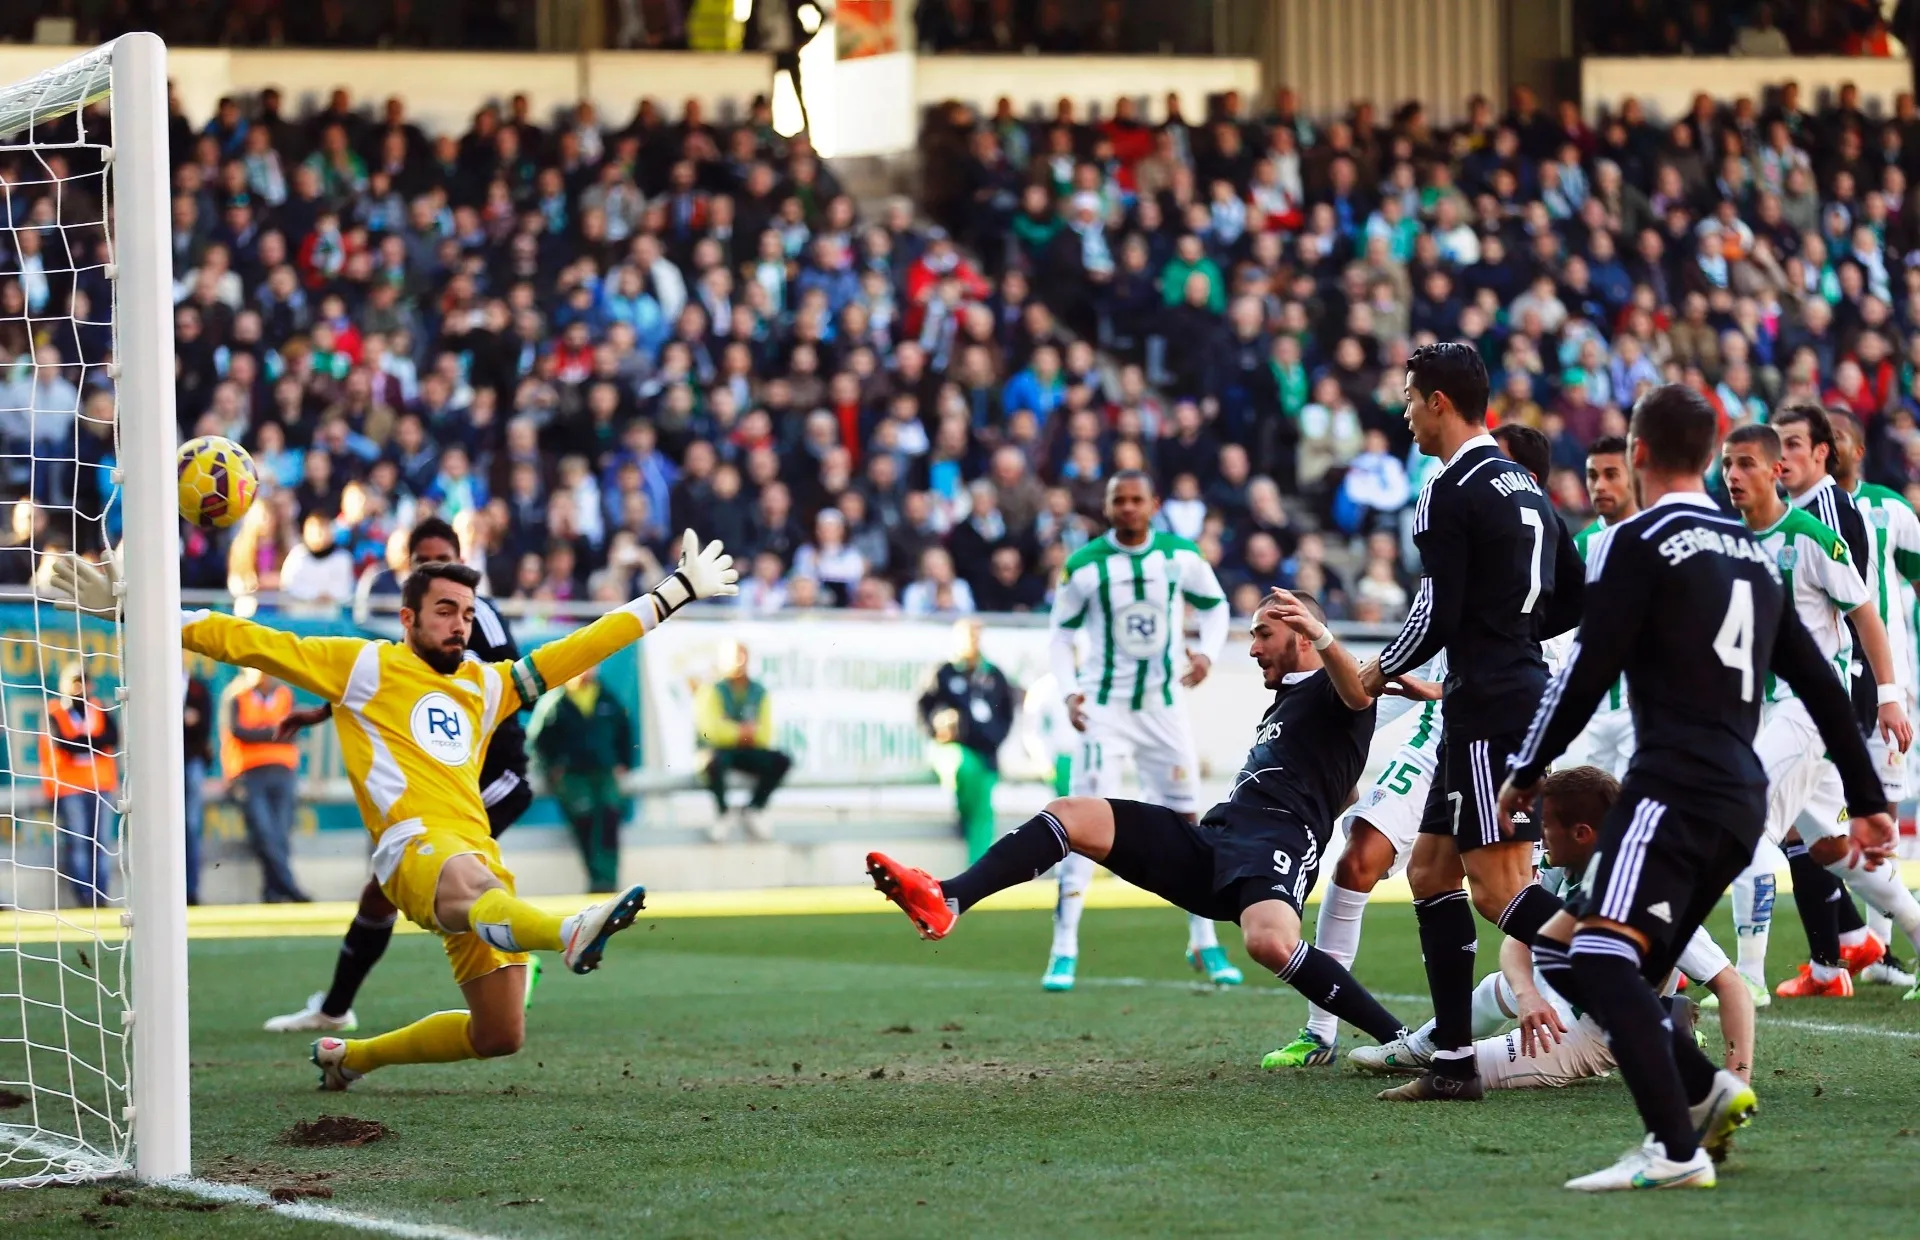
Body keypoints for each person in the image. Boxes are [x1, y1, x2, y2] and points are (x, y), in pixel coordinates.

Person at [49, 530, 738, 1090]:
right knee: (475, 887)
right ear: (407, 617)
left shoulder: (487, 684)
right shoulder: (365, 667)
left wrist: (672, 592)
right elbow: (247, 641)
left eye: (468, 614)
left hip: (474, 859)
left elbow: (579, 647)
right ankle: (568, 930)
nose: (459, 626)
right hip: (411, 851)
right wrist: (136, 609)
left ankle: (353, 1057)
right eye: (445, 611)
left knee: (498, 1035)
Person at [1495, 383, 1894, 1190]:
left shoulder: (1638, 540)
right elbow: (1819, 682)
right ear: (1712, 457)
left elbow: (1586, 673)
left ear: (1638, 453)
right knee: (1626, 970)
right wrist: (1871, 800)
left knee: (1595, 961)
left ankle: (1674, 1148)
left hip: (1671, 786)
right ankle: (1708, 1093)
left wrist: (1526, 772)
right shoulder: (1753, 549)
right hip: (1741, 798)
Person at [868, 590, 1420, 1063]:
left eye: (1262, 634)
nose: (1251, 648)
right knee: (1071, 813)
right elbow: (1336, 780)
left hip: (1279, 840)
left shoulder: (1338, 687)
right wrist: (1346, 796)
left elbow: (1356, 691)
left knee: (1270, 942)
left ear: (1301, 632)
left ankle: (1399, 1039)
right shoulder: (1287, 708)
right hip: (1215, 838)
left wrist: (1322, 635)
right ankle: (950, 899)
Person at [1270, 420, 1556, 1067]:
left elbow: (1532, 656)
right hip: (1451, 724)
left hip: (1498, 728)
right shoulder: (1507, 545)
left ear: (1526, 482)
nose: (1488, 477)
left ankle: (1656, 982)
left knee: (1500, 890)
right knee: (1385, 864)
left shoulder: (1526, 545)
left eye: (1501, 467)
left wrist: (1376, 674)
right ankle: (1383, 1039)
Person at [1359, 342, 1584, 1102]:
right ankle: (1454, 1062)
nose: (1405, 412)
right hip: (1499, 695)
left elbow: (1436, 610)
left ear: (1440, 403)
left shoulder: (1447, 486)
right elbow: (1573, 596)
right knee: (1428, 872)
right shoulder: (1526, 484)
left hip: (1490, 704)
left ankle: (1637, 970)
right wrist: (1512, 628)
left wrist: (1378, 667)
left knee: (1497, 889)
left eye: (1411, 398)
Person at [264, 517, 537, 1034]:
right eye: (423, 561)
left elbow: (516, 684)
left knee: (441, 885)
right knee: (385, 888)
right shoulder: (417, 632)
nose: (434, 567)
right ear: (407, 569)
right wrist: (321, 713)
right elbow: (388, 690)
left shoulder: (481, 623)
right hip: (441, 777)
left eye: (442, 558)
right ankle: (336, 1007)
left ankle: (529, 944)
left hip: (495, 775)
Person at [1354, 765, 1755, 1092]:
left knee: (1464, 1069)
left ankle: (1661, 1035)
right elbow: (1518, 940)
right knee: (1504, 987)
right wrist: (1529, 996)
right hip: (1563, 994)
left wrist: (1738, 1081)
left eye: (1545, 825)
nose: (1538, 836)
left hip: (1593, 1031)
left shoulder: (1646, 891)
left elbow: (1731, 984)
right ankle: (1426, 1045)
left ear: (1582, 834)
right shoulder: (1565, 867)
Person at [1715, 424, 1914, 1002]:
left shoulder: (1809, 536)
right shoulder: (1729, 541)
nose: (1733, 475)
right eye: (1728, 464)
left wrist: (1889, 694)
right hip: (1764, 711)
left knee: (1743, 819)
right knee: (1830, 850)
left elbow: (1867, 615)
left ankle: (1747, 975)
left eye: (1746, 463)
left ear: (1777, 471)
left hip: (1807, 711)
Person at [1042, 470, 1236, 993]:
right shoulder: (1084, 566)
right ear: (1107, 507)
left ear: (1153, 503)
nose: (1127, 508)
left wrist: (1207, 654)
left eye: (1135, 500)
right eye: (1118, 500)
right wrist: (1068, 690)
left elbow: (1216, 608)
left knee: (1190, 823)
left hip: (1163, 710)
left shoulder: (1178, 556)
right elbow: (1059, 636)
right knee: (1082, 822)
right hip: (1104, 711)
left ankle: (1204, 940)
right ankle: (1064, 949)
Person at [1824, 409, 1920, 992]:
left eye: (1837, 438)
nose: (1830, 449)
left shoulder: (1889, 510)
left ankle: (1880, 949)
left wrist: (1898, 682)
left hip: (1886, 684)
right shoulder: (1804, 512)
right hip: (1832, 680)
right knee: (1832, 815)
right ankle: (1862, 948)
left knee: (1878, 809)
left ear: (1857, 449)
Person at [1566, 435, 1639, 775]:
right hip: (1597, 712)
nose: (1600, 485)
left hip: (1645, 709)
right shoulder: (1580, 547)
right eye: (1593, 476)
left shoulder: (1660, 535)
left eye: (1612, 474)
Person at [917, 618, 1016, 861]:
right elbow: (922, 707)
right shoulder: (944, 672)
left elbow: (1006, 713)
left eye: (976, 635)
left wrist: (994, 738)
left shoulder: (993, 674)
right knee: (964, 767)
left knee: (984, 808)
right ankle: (965, 813)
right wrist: (937, 727)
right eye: (968, 636)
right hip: (951, 748)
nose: (973, 641)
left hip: (985, 752)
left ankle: (978, 870)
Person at [531, 664, 633, 892]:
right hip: (572, 775)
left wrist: (623, 763)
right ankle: (597, 878)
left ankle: (608, 879)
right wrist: (551, 769)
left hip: (604, 771)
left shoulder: (607, 697)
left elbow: (625, 730)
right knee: (584, 822)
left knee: (609, 819)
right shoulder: (556, 701)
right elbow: (538, 742)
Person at [221, 667, 309, 904]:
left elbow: (292, 730)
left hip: (282, 769)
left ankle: (272, 891)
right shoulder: (236, 696)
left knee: (280, 832)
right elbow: (239, 732)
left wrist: (263, 733)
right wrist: (273, 733)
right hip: (249, 772)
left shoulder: (284, 694)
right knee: (264, 832)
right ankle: (289, 887)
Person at [694, 640, 792, 842]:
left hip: (743, 751)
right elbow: (710, 731)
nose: (739, 662)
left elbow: (765, 734)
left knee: (781, 760)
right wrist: (745, 732)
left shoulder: (758, 691)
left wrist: (730, 729)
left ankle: (755, 808)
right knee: (713, 761)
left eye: (742, 656)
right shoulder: (711, 690)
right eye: (733, 657)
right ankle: (722, 812)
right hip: (720, 752)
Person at [40, 662, 117, 908]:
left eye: (84, 682)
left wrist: (82, 741)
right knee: (77, 843)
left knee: (101, 842)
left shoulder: (99, 708)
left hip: (100, 784)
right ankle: (84, 897)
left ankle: (101, 896)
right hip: (69, 786)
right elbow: (64, 744)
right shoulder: (55, 712)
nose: (80, 687)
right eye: (75, 682)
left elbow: (113, 738)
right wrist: (92, 743)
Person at [182, 662, 213, 906]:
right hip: (160, 764)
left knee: (191, 827)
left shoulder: (198, 689)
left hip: (190, 760)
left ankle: (190, 890)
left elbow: (204, 726)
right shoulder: (152, 684)